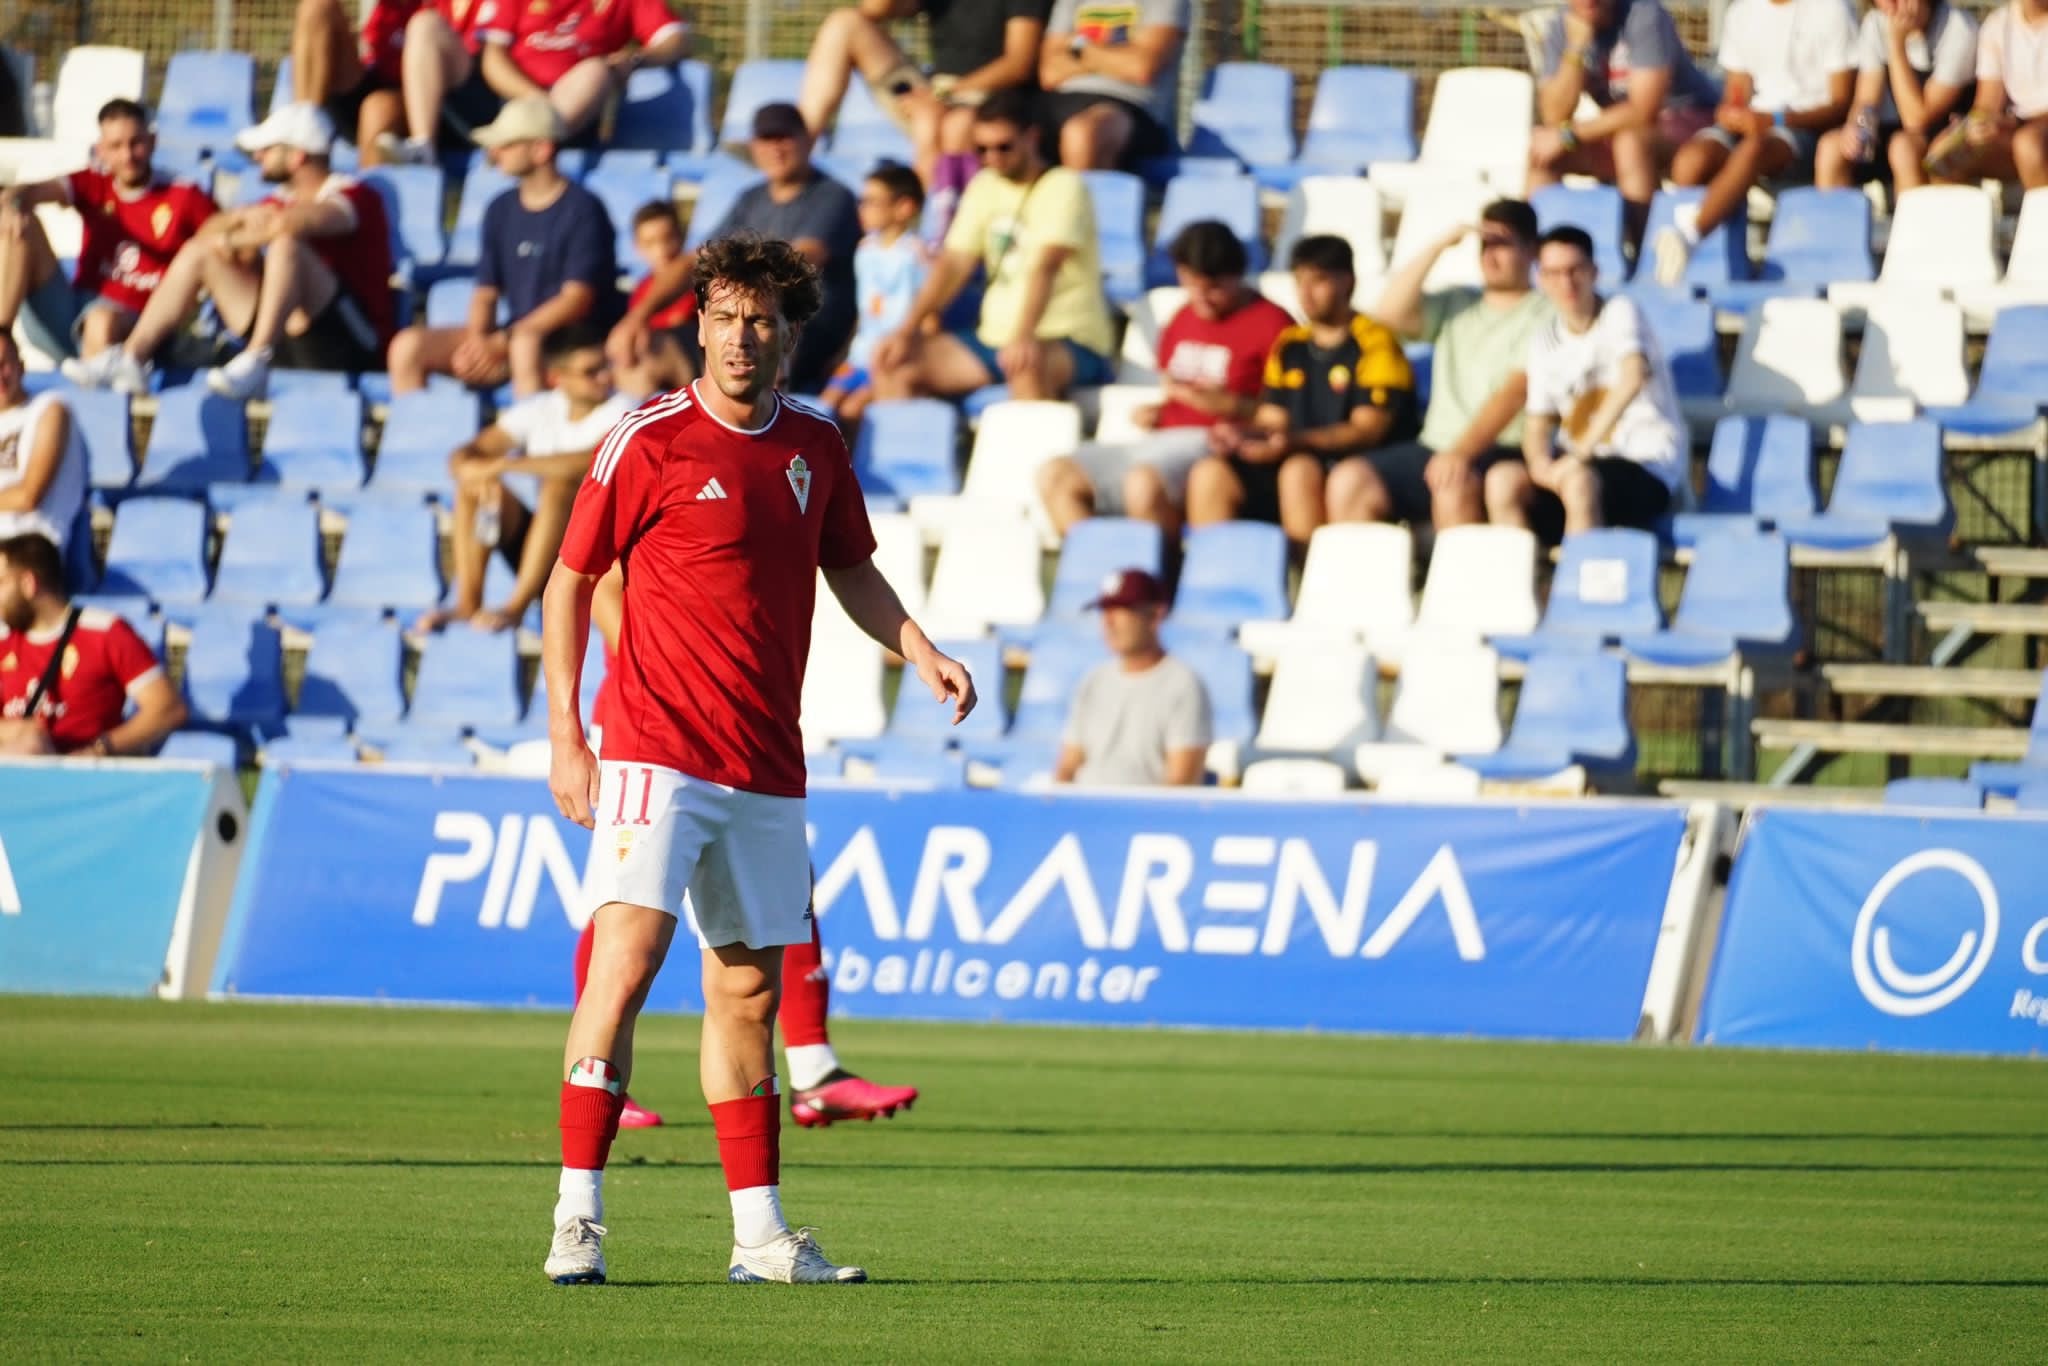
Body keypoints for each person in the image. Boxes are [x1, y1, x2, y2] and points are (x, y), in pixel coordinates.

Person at [536, 232, 976, 1286]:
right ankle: (577, 1216)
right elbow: (566, 581)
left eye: (763, 320)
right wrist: (568, 735)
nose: (743, 337)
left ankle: (760, 1238)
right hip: (653, 750)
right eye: (726, 316)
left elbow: (851, 567)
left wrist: (916, 643)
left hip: (767, 765)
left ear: (790, 334)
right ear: (700, 322)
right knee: (628, 964)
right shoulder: (645, 440)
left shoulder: (816, 445)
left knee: (747, 995)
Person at [573, 567, 923, 1130]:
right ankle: (603, 1081)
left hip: (724, 720)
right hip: (647, 720)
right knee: (633, 905)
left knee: (776, 888)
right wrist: (659, 675)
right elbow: (602, 582)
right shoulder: (652, 474)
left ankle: (813, 1069)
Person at [62, 104, 396, 401]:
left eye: (267, 150)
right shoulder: (275, 202)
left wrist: (238, 236)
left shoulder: (355, 195)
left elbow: (290, 225)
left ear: (297, 157)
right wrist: (237, 222)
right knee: (198, 252)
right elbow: (210, 232)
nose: (257, 158)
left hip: (352, 346)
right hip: (291, 340)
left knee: (286, 246)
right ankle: (132, 358)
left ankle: (255, 357)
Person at [1038, 219, 1290, 538]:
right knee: (1057, 475)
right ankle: (1101, 567)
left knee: (1143, 483)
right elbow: (1177, 387)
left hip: (1214, 444)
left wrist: (1231, 408)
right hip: (1161, 440)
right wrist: (1159, 411)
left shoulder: (1273, 325)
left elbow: (1285, 413)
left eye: (1213, 287)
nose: (1202, 297)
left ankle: (1156, 582)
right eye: (1191, 283)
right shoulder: (1183, 316)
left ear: (1236, 276)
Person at [871, 90, 1115, 402]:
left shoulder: (1064, 185)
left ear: (1032, 137)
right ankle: (907, 451)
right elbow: (954, 263)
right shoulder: (984, 184)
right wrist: (906, 330)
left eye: (1004, 147)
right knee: (895, 363)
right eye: (981, 149)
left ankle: (1039, 453)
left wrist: (1024, 336)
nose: (992, 158)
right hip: (995, 340)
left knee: (1027, 364)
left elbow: (1046, 266)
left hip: (1067, 339)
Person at [603, 104, 860, 396]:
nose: (775, 148)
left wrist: (737, 264)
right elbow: (696, 261)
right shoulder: (749, 199)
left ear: (808, 139)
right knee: (641, 353)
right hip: (740, 323)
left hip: (803, 329)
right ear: (754, 146)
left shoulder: (833, 196)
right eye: (766, 138)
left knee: (760, 349)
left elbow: (800, 259)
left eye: (784, 137)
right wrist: (637, 318)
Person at [1328, 200, 1549, 531]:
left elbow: (1515, 393)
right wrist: (1440, 246)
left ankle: (1461, 583)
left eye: (1503, 244)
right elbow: (1387, 316)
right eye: (1485, 244)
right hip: (1435, 446)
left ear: (1532, 250)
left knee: (1451, 484)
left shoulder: (1546, 312)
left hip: (1505, 448)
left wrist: (1460, 454)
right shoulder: (1456, 302)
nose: (1490, 255)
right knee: (1350, 480)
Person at [1185, 235, 1417, 552]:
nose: (1306, 294)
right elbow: (1274, 417)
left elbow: (1368, 430)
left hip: (1348, 466)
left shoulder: (1376, 343)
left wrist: (1293, 442)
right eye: (1299, 282)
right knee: (1209, 472)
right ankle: (1214, 578)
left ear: (1347, 281)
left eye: (1318, 281)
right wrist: (1241, 434)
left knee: (1299, 471)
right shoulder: (1290, 343)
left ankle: (1307, 579)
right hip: (1292, 452)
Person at [387, 97, 619, 399]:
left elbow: (576, 299)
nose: (495, 153)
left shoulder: (584, 209)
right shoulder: (500, 209)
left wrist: (504, 341)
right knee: (408, 347)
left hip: (571, 341)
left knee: (525, 343)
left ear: (541, 149)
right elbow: (486, 293)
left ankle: (532, 444)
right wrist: (478, 345)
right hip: (513, 337)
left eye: (507, 145)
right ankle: (417, 440)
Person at [419, 325, 632, 634]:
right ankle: (468, 602)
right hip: (542, 544)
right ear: (557, 379)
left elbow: (587, 462)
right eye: (591, 371)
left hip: (595, 554)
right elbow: (463, 456)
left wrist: (502, 465)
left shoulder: (625, 407)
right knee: (476, 489)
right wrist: (477, 471)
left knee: (560, 490)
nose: (605, 377)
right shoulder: (541, 409)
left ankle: (515, 607)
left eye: (605, 366)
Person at [1488, 227, 1686, 542]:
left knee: (1578, 481)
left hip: (1644, 465)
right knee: (1502, 480)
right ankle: (1528, 586)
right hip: (1577, 467)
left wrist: (1580, 451)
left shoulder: (1619, 312)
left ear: (1594, 272)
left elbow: (1632, 377)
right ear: (1541, 278)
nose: (1566, 283)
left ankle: (1578, 587)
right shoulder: (1543, 341)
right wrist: (1540, 466)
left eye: (1575, 270)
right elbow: (1536, 424)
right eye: (1554, 273)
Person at [1652, 0, 1858, 286]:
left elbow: (1840, 103)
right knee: (1691, 161)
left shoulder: (1832, 9)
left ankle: (1690, 235)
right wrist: (1731, 113)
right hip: (1758, 123)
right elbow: (1737, 91)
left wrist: (1775, 120)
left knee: (1752, 151)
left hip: (1805, 128)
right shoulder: (1742, 12)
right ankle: (1719, 266)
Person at [0, 98, 215, 365]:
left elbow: (223, 243)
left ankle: (97, 402)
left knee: (101, 320)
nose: (127, 156)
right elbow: (27, 191)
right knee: (20, 225)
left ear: (152, 141)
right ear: (101, 150)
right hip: (71, 315)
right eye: (116, 146)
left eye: (136, 143)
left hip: (138, 327)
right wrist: (13, 204)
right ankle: (2, 336)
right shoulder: (94, 183)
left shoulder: (184, 194)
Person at [380, 0, 688, 163]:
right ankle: (423, 147)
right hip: (507, 97)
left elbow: (676, 39)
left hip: (569, 112)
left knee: (597, 70)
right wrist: (534, 100)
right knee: (425, 25)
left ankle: (531, 137)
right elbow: (492, 59)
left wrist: (635, 60)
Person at [797, 1, 1049, 187]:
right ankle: (796, 144)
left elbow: (1020, 63)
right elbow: (874, 8)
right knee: (844, 23)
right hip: (929, 92)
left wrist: (946, 93)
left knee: (949, 124)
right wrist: (935, 95)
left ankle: (933, 220)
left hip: (990, 96)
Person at [1527, 0, 1720, 239]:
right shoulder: (1562, 25)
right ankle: (1540, 258)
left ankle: (1645, 257)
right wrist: (1576, 48)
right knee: (1542, 155)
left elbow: (1643, 110)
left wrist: (1568, 135)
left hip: (1690, 119)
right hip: (1622, 128)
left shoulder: (1644, 14)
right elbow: (1554, 115)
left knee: (1630, 143)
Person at [0, 533, 186, 758]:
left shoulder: (105, 632)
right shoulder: (5, 644)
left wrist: (100, 748)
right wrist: (18, 732)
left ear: (29, 584)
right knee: (27, 744)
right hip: (16, 771)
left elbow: (167, 708)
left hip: (86, 776)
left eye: (1, 582)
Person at [1055, 568, 1210, 787]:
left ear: (1155, 615)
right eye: (1104, 611)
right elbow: (1068, 765)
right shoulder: (1093, 680)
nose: (1108, 621)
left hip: (1144, 817)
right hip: (1085, 811)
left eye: (1121, 610)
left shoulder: (1183, 685)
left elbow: (1180, 782)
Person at [1814, 0, 1976, 189]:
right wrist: (1857, 127)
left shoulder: (1958, 28)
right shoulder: (1875, 23)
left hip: (1943, 134)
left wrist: (1896, 46)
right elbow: (1866, 98)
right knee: (1830, 147)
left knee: (1903, 148)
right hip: (1893, 130)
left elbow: (1916, 119)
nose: (1891, 5)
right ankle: (1832, 217)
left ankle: (1913, 218)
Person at [819, 163, 929, 424]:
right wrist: (843, 352)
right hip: (859, 356)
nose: (862, 209)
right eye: (862, 201)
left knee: (853, 411)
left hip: (890, 360)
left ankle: (854, 466)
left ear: (904, 207)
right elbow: (865, 311)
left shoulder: (916, 255)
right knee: (825, 405)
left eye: (872, 202)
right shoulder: (865, 249)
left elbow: (929, 318)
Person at [1039, 0, 1188, 170]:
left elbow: (1141, 68)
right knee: (1008, 132)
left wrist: (1078, 47)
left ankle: (1081, 196)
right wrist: (1114, 59)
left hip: (1132, 107)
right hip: (1061, 100)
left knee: (1083, 133)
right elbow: (1049, 73)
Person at [1926, 0, 2048, 190]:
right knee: (1943, 154)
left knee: (2029, 144)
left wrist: (2014, 124)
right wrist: (1976, 124)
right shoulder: (1997, 25)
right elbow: (1987, 103)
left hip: (2030, 134)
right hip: (2018, 129)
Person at [288, 0, 417, 158]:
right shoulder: (389, 7)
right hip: (370, 81)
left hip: (413, 102)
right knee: (317, 7)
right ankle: (302, 127)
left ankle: (365, 182)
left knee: (377, 107)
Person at [370, 0, 491, 163]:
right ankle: (366, 186)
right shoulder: (433, 5)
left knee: (425, 26)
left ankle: (423, 147)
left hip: (488, 101)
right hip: (442, 108)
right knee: (376, 107)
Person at [0, 335, 87, 555]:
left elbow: (29, 495)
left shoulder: (50, 409)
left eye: (3, 364)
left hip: (31, 552)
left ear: (21, 366)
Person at [608, 201, 698, 397]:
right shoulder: (642, 290)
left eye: (668, 238)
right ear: (637, 247)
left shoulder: (696, 281)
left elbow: (679, 323)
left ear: (682, 237)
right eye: (650, 243)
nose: (662, 249)